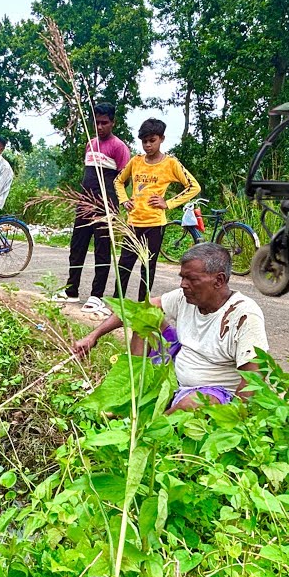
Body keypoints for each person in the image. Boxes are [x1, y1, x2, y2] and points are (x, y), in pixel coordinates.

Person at [72, 243, 269, 410]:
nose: (183, 284)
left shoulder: (244, 315)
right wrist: (93, 336)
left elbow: (253, 378)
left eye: (191, 279)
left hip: (215, 392)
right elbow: (135, 311)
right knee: (146, 318)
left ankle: (148, 424)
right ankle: (133, 387)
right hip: (173, 370)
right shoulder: (184, 297)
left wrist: (238, 422)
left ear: (218, 280)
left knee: (191, 405)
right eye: (182, 277)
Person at [114, 118, 201, 301]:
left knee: (148, 266)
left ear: (161, 139)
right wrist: (123, 200)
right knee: (124, 265)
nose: (147, 145)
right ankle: (117, 302)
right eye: (144, 141)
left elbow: (194, 187)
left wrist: (168, 203)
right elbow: (118, 181)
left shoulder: (170, 163)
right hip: (133, 222)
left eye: (152, 141)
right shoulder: (136, 161)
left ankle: (142, 305)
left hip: (154, 224)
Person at [56, 103, 131, 315]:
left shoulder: (119, 147)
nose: (100, 127)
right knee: (77, 247)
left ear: (113, 123)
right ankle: (71, 291)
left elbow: (123, 179)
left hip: (105, 207)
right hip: (84, 205)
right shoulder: (90, 144)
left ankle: (96, 296)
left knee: (102, 250)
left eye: (104, 123)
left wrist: (113, 203)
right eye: (96, 122)